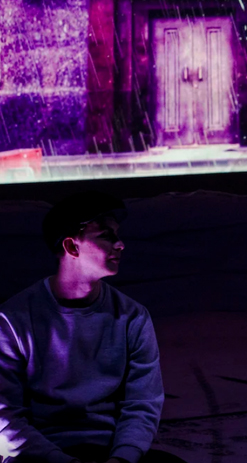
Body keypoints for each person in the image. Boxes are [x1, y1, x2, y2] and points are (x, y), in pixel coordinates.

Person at [0, 192, 185, 463]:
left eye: (117, 235)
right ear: (72, 246)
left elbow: (142, 404)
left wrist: (122, 458)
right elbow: (4, 416)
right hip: (41, 456)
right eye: (106, 235)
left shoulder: (133, 317)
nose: (120, 244)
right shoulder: (12, 319)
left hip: (109, 452)